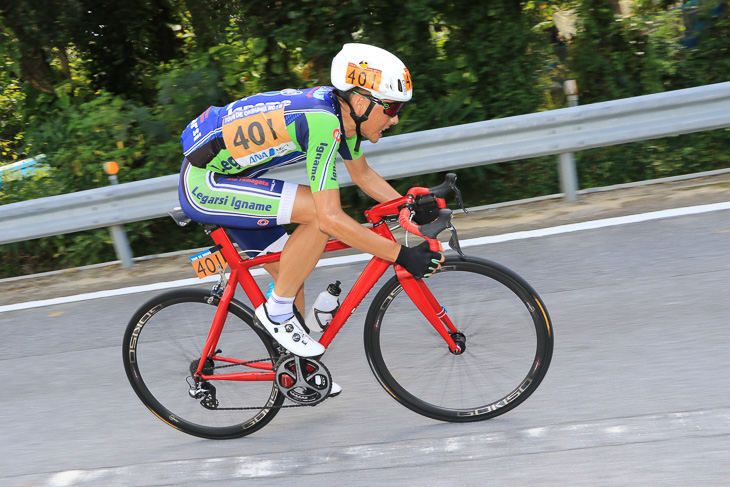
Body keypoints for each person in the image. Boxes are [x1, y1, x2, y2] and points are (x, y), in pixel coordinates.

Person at [178, 43, 443, 365]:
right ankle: (275, 314)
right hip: (206, 185)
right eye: (391, 108)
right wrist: (402, 255)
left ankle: (295, 371)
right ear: (361, 101)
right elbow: (330, 218)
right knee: (319, 215)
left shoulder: (342, 117)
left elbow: (363, 175)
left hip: (233, 184)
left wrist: (408, 205)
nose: (395, 119)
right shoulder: (322, 122)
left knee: (292, 277)